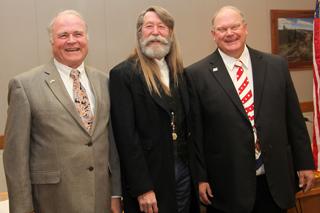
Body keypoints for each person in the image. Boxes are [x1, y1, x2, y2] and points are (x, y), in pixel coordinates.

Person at [185, 5, 315, 213]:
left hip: (275, 181)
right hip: (228, 186)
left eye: (235, 26)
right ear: (213, 34)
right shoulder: (195, 75)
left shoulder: (276, 65)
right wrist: (201, 178)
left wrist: (305, 163)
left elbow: (294, 120)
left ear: (245, 28)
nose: (229, 33)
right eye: (222, 29)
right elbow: (196, 135)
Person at [3, 10, 121, 213]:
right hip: (53, 202)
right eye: (63, 35)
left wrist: (116, 194)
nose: (72, 41)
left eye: (78, 34)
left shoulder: (104, 82)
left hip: (101, 200)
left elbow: (112, 144)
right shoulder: (25, 85)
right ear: (52, 41)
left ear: (86, 38)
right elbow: (15, 158)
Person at [109, 6, 199, 213]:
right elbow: (126, 139)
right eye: (149, 26)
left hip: (185, 174)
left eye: (162, 26)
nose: (156, 32)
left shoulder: (181, 75)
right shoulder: (123, 75)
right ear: (140, 33)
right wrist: (143, 188)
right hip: (150, 181)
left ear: (171, 34)